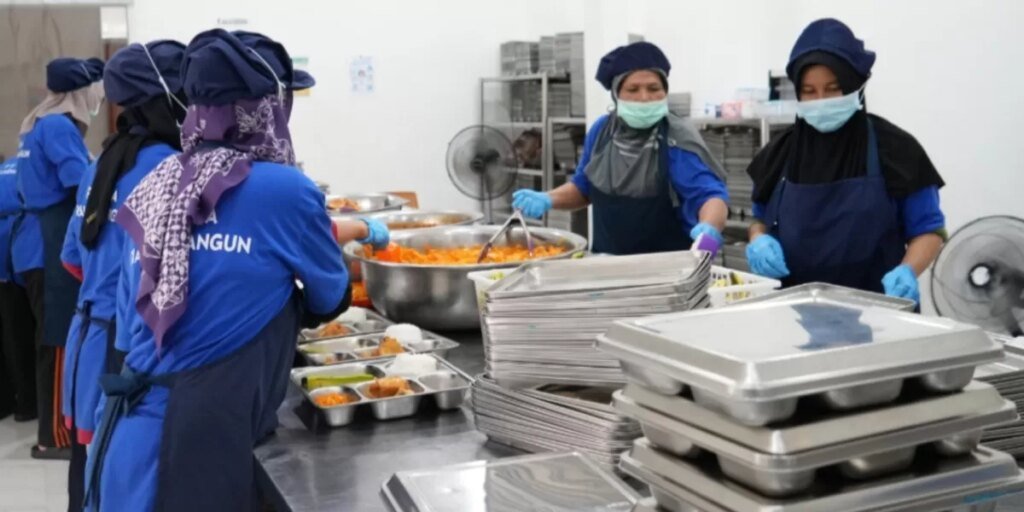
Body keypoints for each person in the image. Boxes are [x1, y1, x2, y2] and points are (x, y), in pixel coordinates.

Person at [83, 29, 389, 511]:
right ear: (269, 106)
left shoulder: (154, 183)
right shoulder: (286, 190)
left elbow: (129, 326)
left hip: (127, 439)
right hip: (199, 445)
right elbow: (330, 297)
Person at [59, 40, 189, 511]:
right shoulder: (172, 169)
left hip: (86, 343)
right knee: (126, 481)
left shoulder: (99, 164)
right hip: (130, 348)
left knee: (88, 472)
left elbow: (73, 259)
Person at [744, 19, 946, 303]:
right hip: (794, 313)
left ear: (854, 86)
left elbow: (929, 231)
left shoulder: (896, 149)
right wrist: (758, 240)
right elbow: (759, 219)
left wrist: (907, 270)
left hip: (878, 313)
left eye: (833, 88)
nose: (821, 100)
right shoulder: (779, 153)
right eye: (809, 91)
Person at [511, 42, 728, 256]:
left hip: (666, 267)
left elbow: (709, 195)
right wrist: (548, 198)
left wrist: (709, 227)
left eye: (654, 88)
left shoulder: (677, 137)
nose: (644, 97)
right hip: (606, 261)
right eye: (633, 89)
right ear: (616, 94)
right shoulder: (602, 132)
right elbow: (584, 188)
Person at [16, 56, 105, 459]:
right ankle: (54, 436)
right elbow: (79, 180)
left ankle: (54, 431)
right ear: (78, 93)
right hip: (50, 241)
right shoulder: (57, 126)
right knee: (57, 338)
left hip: (36, 241)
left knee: (50, 336)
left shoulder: (38, 123)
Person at [0, 157, 37, 423]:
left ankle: (15, 401)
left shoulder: (8, 169)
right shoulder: (25, 168)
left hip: (9, 262)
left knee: (11, 333)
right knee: (25, 331)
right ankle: (28, 401)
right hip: (24, 256)